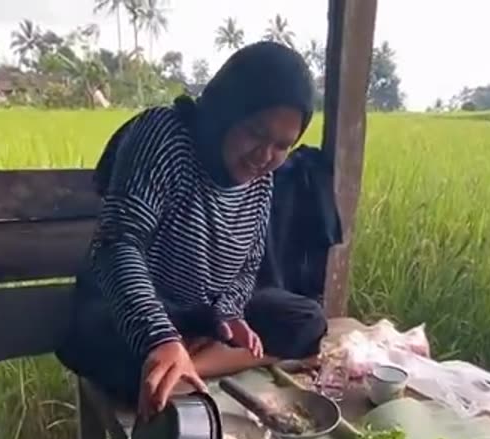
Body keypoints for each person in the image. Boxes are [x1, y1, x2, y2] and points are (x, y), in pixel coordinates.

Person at [57, 41, 328, 417]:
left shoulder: (261, 178)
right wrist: (159, 337)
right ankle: (180, 359)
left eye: (282, 146)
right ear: (226, 110)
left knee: (307, 320)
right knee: (110, 351)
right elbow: (119, 243)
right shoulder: (165, 136)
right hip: (127, 306)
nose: (264, 156)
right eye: (255, 132)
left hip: (199, 311)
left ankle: (188, 368)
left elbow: (247, 266)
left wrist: (230, 314)